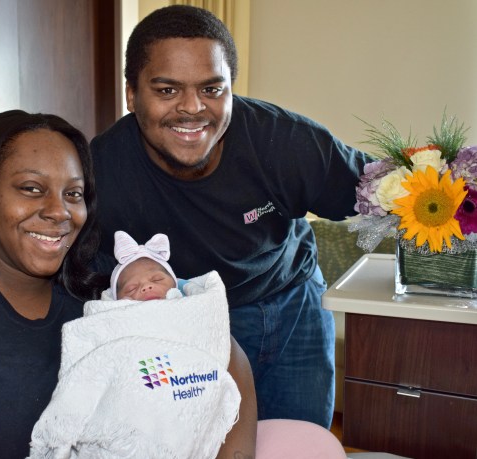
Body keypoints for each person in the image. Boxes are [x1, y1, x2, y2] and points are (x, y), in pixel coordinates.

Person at [0, 111, 256, 459]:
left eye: (73, 194)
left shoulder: (108, 289)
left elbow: (220, 343)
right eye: (31, 189)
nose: (59, 212)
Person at [90, 4, 371, 429]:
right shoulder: (100, 172)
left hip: (293, 305)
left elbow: (388, 190)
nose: (192, 108)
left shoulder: (284, 141)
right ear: (132, 94)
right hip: (186, 322)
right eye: (167, 90)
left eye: (212, 89)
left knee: (300, 442)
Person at [29, 231, 249, 458]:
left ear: (176, 284)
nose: (145, 287)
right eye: (131, 289)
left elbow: (213, 338)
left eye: (156, 280)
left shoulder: (192, 311)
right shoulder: (113, 322)